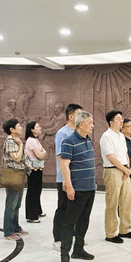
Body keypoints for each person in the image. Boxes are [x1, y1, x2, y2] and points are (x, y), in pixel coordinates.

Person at [58, 111, 96, 262]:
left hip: (90, 188)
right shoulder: (68, 141)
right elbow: (64, 165)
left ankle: (78, 250)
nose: (92, 125)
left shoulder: (88, 140)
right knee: (69, 223)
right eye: (90, 122)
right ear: (81, 124)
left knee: (84, 220)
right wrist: (69, 185)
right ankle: (64, 256)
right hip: (77, 189)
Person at [100, 110, 131, 243]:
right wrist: (124, 169)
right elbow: (111, 157)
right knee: (112, 203)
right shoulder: (106, 136)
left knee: (126, 202)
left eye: (121, 118)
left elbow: (125, 154)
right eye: (118, 119)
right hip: (113, 171)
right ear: (111, 122)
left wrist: (127, 169)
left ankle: (124, 229)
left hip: (124, 170)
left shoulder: (121, 136)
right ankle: (110, 233)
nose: (121, 121)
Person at [52, 103, 82, 250]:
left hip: (77, 177)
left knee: (74, 208)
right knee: (63, 208)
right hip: (65, 178)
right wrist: (65, 179)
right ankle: (58, 238)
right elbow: (61, 157)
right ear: (70, 116)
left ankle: (71, 235)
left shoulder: (78, 132)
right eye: (79, 114)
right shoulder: (62, 133)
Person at [2, 119, 29, 240]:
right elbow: (16, 158)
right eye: (19, 126)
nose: (21, 128)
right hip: (13, 172)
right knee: (11, 204)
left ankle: (15, 227)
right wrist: (21, 145)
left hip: (20, 172)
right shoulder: (10, 141)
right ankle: (8, 231)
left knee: (17, 203)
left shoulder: (16, 140)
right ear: (12, 129)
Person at [25, 121, 47, 223]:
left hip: (38, 168)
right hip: (33, 169)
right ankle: (31, 215)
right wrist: (43, 153)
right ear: (32, 129)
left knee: (37, 190)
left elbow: (43, 152)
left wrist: (43, 152)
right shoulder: (31, 141)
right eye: (37, 127)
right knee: (33, 191)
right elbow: (40, 155)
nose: (40, 128)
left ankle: (37, 211)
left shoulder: (35, 140)